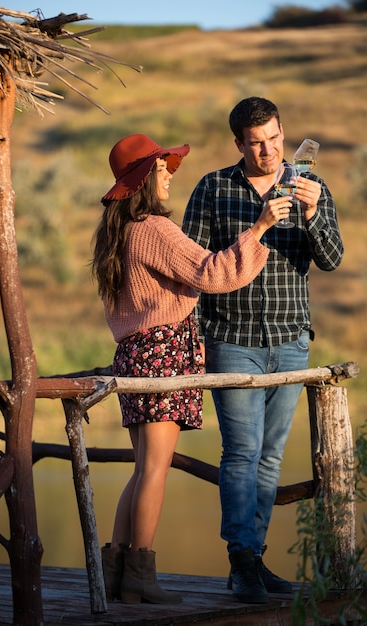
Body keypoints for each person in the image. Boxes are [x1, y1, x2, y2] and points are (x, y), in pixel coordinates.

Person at [91, 133, 281, 605]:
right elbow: (213, 272)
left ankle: (115, 575)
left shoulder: (117, 233)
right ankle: (140, 572)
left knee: (141, 470)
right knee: (155, 470)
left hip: (136, 355)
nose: (170, 178)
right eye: (162, 171)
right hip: (163, 354)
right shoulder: (153, 229)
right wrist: (258, 229)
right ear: (142, 182)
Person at [182, 97, 344, 604]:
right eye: (256, 143)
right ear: (238, 144)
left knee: (270, 457)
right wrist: (260, 225)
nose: (269, 150)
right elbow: (192, 263)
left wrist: (313, 213)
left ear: (282, 133)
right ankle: (242, 560)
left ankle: (253, 559)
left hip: (292, 340)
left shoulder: (309, 188)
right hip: (232, 339)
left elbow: (333, 259)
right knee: (242, 453)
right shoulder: (214, 187)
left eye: (275, 138)